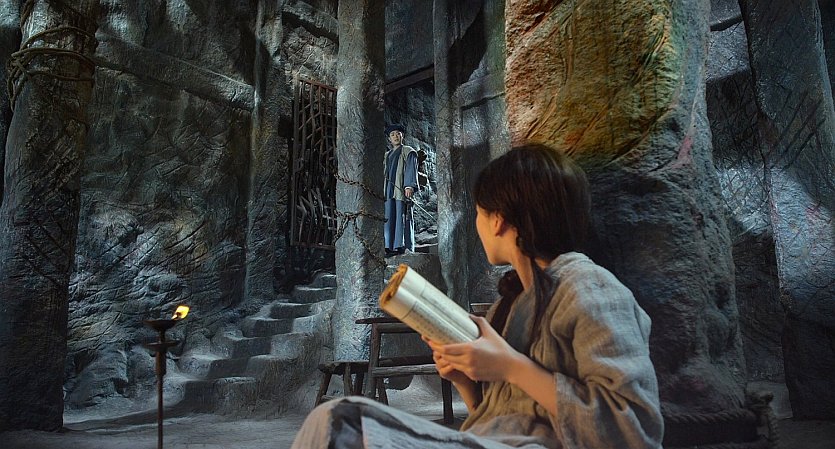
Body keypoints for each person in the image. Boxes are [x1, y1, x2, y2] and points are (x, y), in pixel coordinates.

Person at [291, 144, 664, 449]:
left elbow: (635, 432)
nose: (478, 223)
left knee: (342, 422)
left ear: (498, 219)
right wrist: (465, 379)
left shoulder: (590, 288)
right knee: (342, 423)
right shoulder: (511, 302)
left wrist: (511, 366)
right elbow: (499, 418)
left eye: (479, 213)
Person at [383, 123, 419, 256]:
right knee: (389, 216)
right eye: (392, 135)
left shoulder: (408, 151)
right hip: (389, 191)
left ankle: (402, 245)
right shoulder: (387, 155)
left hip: (401, 190)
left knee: (401, 216)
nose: (395, 136)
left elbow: (410, 168)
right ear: (389, 139)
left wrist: (409, 186)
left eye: (398, 134)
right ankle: (389, 245)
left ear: (402, 136)